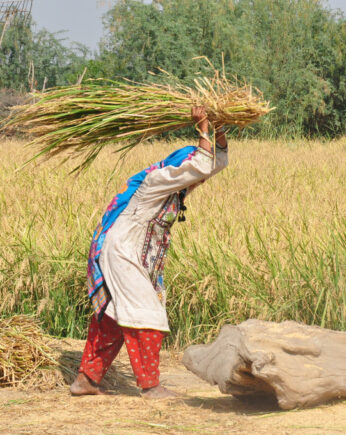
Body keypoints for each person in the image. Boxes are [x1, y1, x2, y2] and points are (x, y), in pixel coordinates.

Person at [70, 107, 228, 399]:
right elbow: (202, 166)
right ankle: (151, 386)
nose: (198, 182)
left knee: (113, 317)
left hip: (135, 255)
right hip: (121, 252)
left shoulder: (174, 189)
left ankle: (85, 380)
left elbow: (213, 164)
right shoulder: (157, 180)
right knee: (147, 312)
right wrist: (203, 126)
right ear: (179, 169)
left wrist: (220, 130)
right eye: (191, 174)